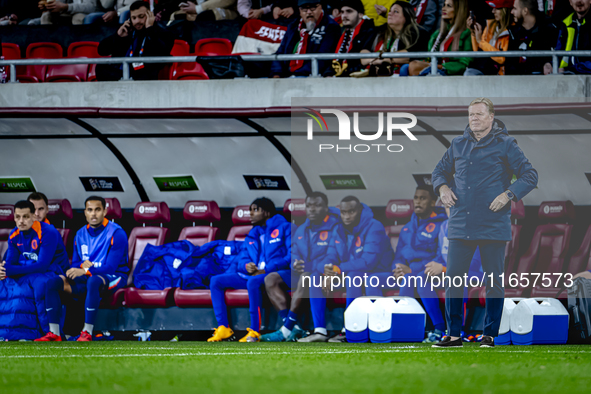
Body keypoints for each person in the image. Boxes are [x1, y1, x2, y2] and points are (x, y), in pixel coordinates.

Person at [431, 97, 538, 348]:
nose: (474, 119)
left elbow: (530, 175)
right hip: (460, 224)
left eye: (479, 114)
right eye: (471, 115)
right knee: (454, 280)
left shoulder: (506, 144)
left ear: (491, 117)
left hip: (492, 224)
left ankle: (489, 336)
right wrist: (442, 187)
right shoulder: (457, 144)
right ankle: (453, 335)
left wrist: (508, 194)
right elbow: (438, 172)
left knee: (493, 283)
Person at [35, 196, 129, 342]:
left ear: (104, 211)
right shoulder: (79, 234)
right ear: (85, 212)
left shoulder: (117, 233)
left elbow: (110, 268)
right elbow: (76, 264)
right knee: (53, 282)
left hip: (115, 277)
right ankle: (54, 333)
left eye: (97, 210)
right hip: (89, 276)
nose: (93, 214)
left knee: (94, 281)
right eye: (90, 210)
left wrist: (85, 270)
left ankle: (87, 332)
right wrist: (75, 270)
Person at [207, 198, 291, 342]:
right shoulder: (252, 234)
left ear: (267, 212)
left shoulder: (285, 227)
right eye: (250, 211)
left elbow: (291, 256)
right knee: (216, 281)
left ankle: (254, 331)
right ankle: (223, 328)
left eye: (255, 210)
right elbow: (242, 259)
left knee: (253, 282)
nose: (250, 214)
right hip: (254, 274)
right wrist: (247, 266)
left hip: (278, 274)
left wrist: (267, 270)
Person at [260, 192, 340, 342]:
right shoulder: (302, 229)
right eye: (309, 206)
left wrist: (309, 267)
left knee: (306, 277)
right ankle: (293, 327)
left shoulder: (335, 227)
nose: (312, 209)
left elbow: (332, 256)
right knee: (270, 279)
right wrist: (295, 264)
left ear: (325, 208)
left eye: (317, 206)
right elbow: (294, 252)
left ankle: (285, 330)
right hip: (303, 272)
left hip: (323, 273)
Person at [322, 195, 394, 342]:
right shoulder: (338, 229)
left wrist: (338, 269)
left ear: (360, 211)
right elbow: (331, 255)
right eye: (343, 212)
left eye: (351, 212)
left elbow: (369, 262)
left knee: (354, 276)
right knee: (315, 278)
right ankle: (319, 331)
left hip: (379, 273)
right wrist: (329, 269)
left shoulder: (374, 226)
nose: (347, 216)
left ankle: (350, 328)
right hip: (351, 273)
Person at [385, 185, 447, 342]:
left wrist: (411, 270)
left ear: (433, 202)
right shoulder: (407, 228)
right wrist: (397, 269)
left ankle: (437, 328)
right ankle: (381, 327)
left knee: (413, 278)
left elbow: (440, 258)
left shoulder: (442, 225)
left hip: (431, 273)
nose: (418, 202)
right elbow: (398, 256)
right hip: (407, 273)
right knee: (370, 280)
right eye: (416, 198)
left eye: (423, 198)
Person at [0, 200, 69, 340]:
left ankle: (39, 332)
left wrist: (9, 270)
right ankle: (7, 333)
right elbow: (10, 262)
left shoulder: (48, 232)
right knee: (5, 283)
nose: (21, 221)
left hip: (52, 271)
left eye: (25, 217)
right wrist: (3, 271)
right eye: (17, 217)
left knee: (37, 284)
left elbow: (42, 265)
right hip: (27, 270)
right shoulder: (14, 234)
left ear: (33, 216)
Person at [97, 0, 174, 81]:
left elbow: (161, 52)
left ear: (150, 15)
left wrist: (150, 29)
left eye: (141, 16)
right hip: (122, 75)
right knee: (101, 67)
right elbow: (101, 51)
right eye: (134, 18)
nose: (137, 21)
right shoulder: (127, 32)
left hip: (144, 77)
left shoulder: (163, 33)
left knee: (148, 71)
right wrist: (117, 36)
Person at [270, 0, 341, 78]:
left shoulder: (331, 27)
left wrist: (297, 75)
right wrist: (276, 73)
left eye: (313, 8)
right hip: (288, 75)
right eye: (304, 9)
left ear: (320, 7)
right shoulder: (293, 26)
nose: (309, 12)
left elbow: (323, 58)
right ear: (300, 11)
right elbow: (280, 52)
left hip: (312, 76)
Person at [360, 0, 429, 76]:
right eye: (390, 11)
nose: (389, 13)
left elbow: (410, 55)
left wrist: (385, 59)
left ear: (407, 16)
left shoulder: (419, 33)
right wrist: (374, 60)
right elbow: (363, 53)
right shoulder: (380, 31)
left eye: (395, 11)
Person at [406, 0, 472, 76]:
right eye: (444, 5)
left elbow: (464, 64)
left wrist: (439, 67)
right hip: (436, 68)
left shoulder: (466, 33)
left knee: (415, 67)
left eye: (449, 6)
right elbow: (429, 58)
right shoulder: (438, 33)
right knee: (408, 67)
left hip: (450, 72)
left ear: (459, 10)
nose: (444, 8)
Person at [505, 0, 558, 75]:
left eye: (515, 8)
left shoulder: (548, 31)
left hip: (541, 82)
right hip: (517, 82)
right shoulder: (514, 32)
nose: (512, 12)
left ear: (525, 11)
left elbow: (550, 58)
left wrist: (548, 63)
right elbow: (509, 65)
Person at [464, 0, 513, 76]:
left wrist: (481, 41)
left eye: (496, 8)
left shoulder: (512, 30)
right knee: (469, 73)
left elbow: (502, 58)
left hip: (501, 76)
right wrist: (473, 32)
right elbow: (476, 51)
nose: (493, 11)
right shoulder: (490, 25)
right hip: (485, 70)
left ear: (505, 10)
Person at [329, 0, 376, 77]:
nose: (344, 15)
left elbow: (361, 62)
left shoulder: (370, 32)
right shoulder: (339, 32)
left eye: (349, 11)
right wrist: (328, 73)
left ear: (360, 14)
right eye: (342, 12)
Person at [544, 0, 591, 75]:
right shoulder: (566, 23)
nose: (579, 1)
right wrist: (550, 64)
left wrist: (570, 69)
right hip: (567, 80)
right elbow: (559, 51)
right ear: (570, 2)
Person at [28, 192, 69, 275]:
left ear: (47, 209)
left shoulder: (51, 233)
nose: (36, 214)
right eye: (33, 209)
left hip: (53, 274)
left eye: (40, 209)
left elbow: (42, 265)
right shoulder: (22, 231)